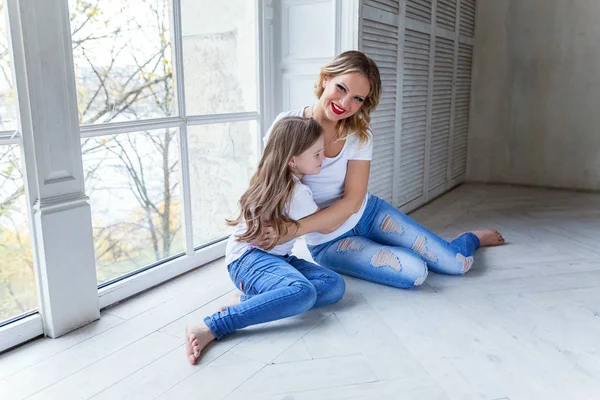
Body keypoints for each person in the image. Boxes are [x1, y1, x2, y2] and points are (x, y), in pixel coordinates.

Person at [257, 50, 505, 289]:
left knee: (456, 264)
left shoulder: (359, 135)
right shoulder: (286, 126)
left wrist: (293, 229)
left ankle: (471, 238)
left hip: (369, 214)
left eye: (358, 98)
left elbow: (353, 201)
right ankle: (395, 247)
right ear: (326, 79)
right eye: (341, 88)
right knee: (416, 272)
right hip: (327, 241)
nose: (345, 103)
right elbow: (267, 187)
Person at [184, 117, 345, 365]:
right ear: (292, 161)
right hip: (249, 260)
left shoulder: (275, 180)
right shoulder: (298, 192)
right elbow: (327, 226)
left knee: (333, 284)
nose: (323, 158)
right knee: (303, 293)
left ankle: (246, 301)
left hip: (264, 258)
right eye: (317, 153)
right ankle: (213, 326)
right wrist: (349, 205)